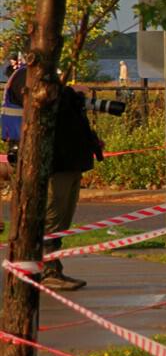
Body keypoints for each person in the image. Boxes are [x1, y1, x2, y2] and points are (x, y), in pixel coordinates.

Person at [2, 67, 102, 289]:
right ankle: (46, 270)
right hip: (51, 163)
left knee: (62, 219)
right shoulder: (27, 78)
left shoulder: (50, 79)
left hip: (68, 161)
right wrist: (68, 95)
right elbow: (43, 107)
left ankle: (51, 267)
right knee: (51, 217)